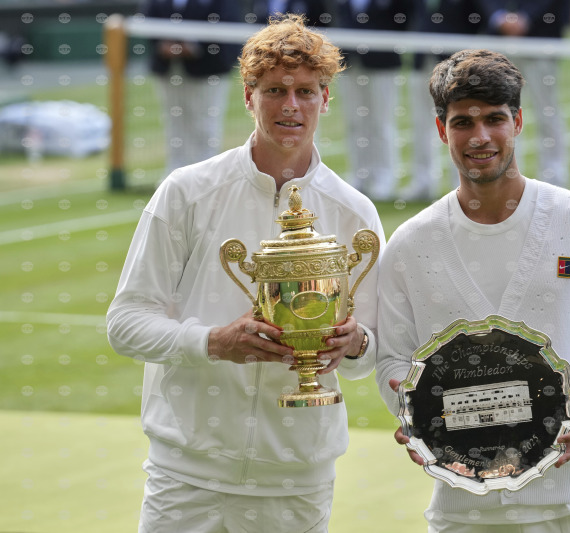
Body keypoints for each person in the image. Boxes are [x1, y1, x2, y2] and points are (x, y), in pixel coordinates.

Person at [107, 14, 384, 532]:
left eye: (305, 91)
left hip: (296, 478)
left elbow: (370, 351)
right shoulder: (187, 192)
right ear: (248, 96)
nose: (290, 105)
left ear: (325, 99)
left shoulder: (355, 212)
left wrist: (355, 343)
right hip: (186, 476)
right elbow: (125, 324)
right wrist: (214, 342)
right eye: (274, 90)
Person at [375, 49, 570, 532]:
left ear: (518, 122)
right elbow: (393, 360)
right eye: (463, 122)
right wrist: (413, 413)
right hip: (463, 512)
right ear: (442, 130)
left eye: (494, 119)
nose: (480, 137)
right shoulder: (410, 245)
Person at [141, 0, 242, 176]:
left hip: (207, 69)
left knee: (204, 123)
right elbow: (149, 17)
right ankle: (175, 173)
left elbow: (228, 21)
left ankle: (205, 174)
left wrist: (194, 47)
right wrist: (163, 46)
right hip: (169, 68)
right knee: (174, 122)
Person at [481, 0, 570, 189]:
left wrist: (525, 18)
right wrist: (499, 18)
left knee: (547, 110)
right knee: (499, 113)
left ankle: (554, 176)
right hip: (499, 43)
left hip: (541, 40)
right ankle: (504, 174)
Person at [402, 0, 485, 202]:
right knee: (421, 122)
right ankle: (423, 181)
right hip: (422, 59)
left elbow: (480, 16)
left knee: (461, 122)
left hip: (459, 63)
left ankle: (461, 183)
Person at [336, 0, 409, 201]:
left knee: (381, 122)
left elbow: (405, 17)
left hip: (382, 61)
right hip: (349, 60)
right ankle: (359, 174)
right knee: (354, 122)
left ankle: (385, 177)